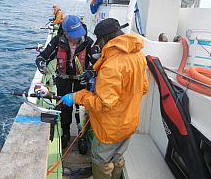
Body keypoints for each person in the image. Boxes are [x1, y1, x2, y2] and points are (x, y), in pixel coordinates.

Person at [61, 18, 149, 179]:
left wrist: (76, 96)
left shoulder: (112, 65)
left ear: (104, 39)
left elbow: (102, 104)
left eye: (99, 41)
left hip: (110, 128)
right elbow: (143, 88)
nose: (98, 45)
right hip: (129, 124)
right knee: (117, 157)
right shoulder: (138, 55)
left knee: (101, 160)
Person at [36, 15, 94, 149]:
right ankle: (65, 134)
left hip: (82, 83)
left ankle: (82, 136)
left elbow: (99, 63)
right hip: (63, 81)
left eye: (78, 34)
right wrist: (41, 63)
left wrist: (90, 72)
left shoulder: (88, 42)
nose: (76, 38)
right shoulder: (57, 41)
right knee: (64, 110)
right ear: (66, 33)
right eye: (73, 35)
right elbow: (42, 56)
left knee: (82, 111)